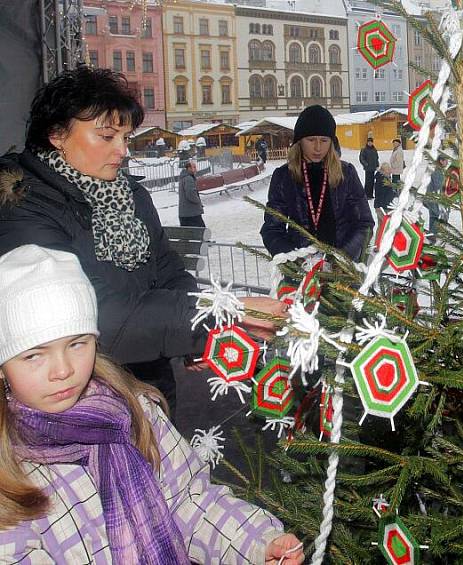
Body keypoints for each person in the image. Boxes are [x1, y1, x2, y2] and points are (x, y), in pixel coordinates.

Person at [0, 67, 285, 415]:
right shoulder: (22, 205)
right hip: (73, 404)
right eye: (107, 137)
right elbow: (94, 316)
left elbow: (167, 270)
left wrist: (193, 333)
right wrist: (221, 314)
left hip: (149, 386)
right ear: (57, 135)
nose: (122, 151)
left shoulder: (129, 193)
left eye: (125, 137)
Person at [0, 245, 304, 564]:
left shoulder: (135, 411)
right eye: (34, 355)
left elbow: (188, 502)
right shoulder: (11, 465)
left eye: (77, 343)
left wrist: (254, 541)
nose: (62, 370)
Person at [260, 105, 373, 261]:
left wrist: (343, 257)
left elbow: (364, 223)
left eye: (324, 140)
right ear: (299, 141)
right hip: (301, 274)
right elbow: (272, 229)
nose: (318, 147)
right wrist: (295, 260)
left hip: (343, 273)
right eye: (311, 140)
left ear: (332, 142)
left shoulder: (346, 173)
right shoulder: (284, 176)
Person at [424, 154, 449, 238]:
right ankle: (434, 235)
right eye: (446, 161)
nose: (447, 162)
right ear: (441, 161)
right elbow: (439, 185)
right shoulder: (437, 171)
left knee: (433, 216)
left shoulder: (438, 169)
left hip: (432, 197)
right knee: (437, 216)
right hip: (434, 198)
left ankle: (432, 235)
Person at [178, 160, 204, 227]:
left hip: (184, 213)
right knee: (202, 232)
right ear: (189, 168)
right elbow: (190, 194)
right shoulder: (188, 179)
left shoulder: (183, 177)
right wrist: (198, 201)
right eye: (194, 167)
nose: (196, 169)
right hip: (192, 213)